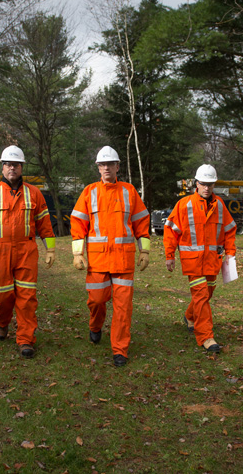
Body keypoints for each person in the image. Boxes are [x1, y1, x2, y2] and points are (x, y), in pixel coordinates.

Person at [0, 145, 56, 359]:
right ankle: (1, 323)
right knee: (1, 295)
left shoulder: (34, 193)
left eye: (16, 165)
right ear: (3, 167)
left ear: (21, 167)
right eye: (8, 164)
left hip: (27, 250)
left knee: (27, 297)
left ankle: (26, 339)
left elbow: (45, 224)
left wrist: (51, 249)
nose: (12, 168)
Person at [70, 146, 151, 367]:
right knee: (96, 301)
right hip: (97, 261)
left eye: (110, 164)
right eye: (102, 164)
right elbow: (78, 222)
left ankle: (120, 350)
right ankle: (95, 326)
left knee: (123, 308)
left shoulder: (129, 191)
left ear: (117, 166)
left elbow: (142, 222)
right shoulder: (89, 192)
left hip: (124, 261)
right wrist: (78, 253)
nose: (106, 168)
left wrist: (145, 250)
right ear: (98, 168)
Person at [164, 164, 236, 353]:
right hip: (193, 261)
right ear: (196, 183)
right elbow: (171, 230)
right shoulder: (184, 204)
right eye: (203, 184)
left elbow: (229, 230)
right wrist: (169, 255)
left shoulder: (219, 205)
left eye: (210, 184)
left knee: (207, 294)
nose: (206, 188)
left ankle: (189, 316)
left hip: (213, 260)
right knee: (202, 295)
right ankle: (206, 337)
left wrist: (231, 253)